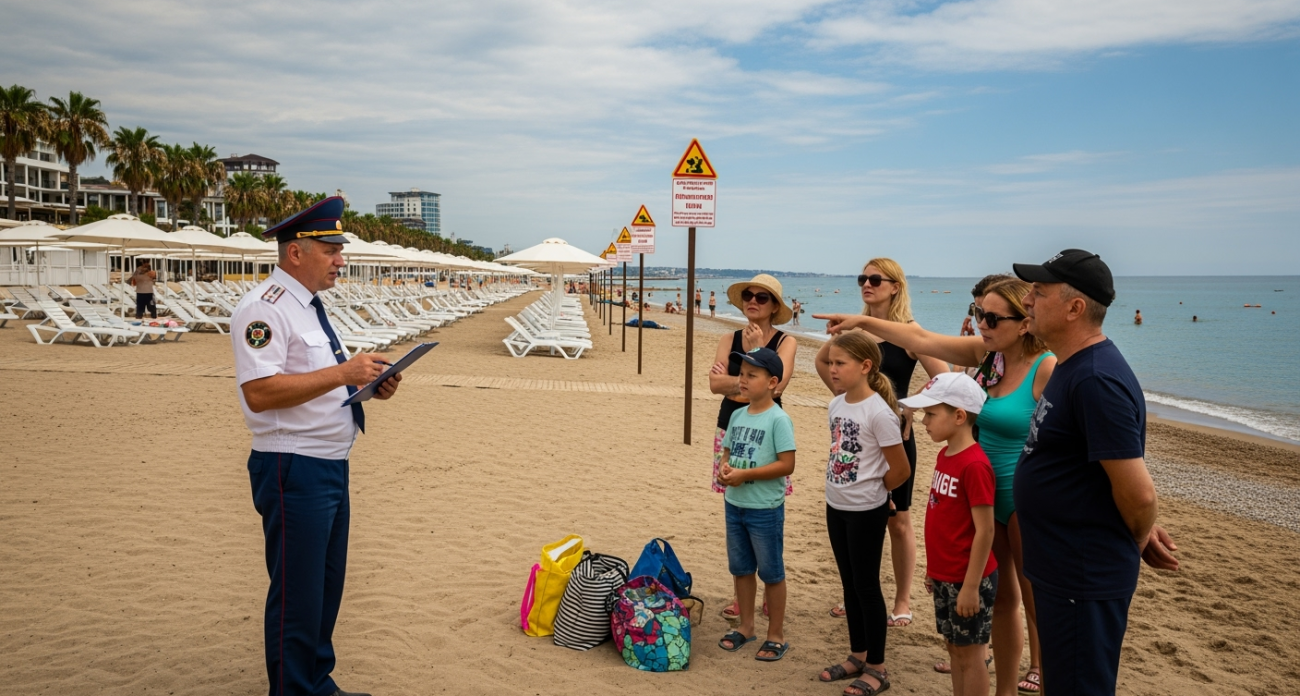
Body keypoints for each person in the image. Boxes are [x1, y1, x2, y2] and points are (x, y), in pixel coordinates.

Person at [817, 278, 1053, 693]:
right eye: (979, 312)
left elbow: (1072, 435)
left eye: (992, 316)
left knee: (1032, 601)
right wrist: (861, 322)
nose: (982, 322)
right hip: (977, 491)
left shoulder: (1045, 366)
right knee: (1000, 600)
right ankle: (993, 679)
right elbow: (921, 337)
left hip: (1019, 496)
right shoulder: (987, 354)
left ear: (1024, 322)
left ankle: (1038, 667)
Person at [231, 196, 401, 696]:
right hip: (292, 465)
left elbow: (319, 382)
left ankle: (315, 683)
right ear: (295, 252)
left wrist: (368, 384)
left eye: (339, 249)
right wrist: (345, 373)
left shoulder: (309, 309)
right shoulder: (263, 310)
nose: (340, 260)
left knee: (324, 589)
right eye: (330, 249)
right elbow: (259, 393)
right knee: (297, 594)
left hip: (328, 464)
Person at [1012, 249, 1178, 696]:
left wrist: (1138, 534)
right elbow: (1100, 471)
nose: (1026, 299)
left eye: (1038, 291)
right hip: (1061, 569)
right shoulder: (1072, 366)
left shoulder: (1095, 380)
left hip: (1081, 576)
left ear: (1075, 307)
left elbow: (1139, 495)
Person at [815, 258, 947, 627]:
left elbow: (946, 378)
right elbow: (823, 363)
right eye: (862, 278)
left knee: (898, 520)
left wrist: (909, 408)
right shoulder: (855, 333)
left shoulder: (909, 332)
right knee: (854, 520)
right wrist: (842, 399)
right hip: (856, 443)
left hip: (895, 440)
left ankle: (902, 600)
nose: (866, 284)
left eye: (875, 278)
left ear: (895, 286)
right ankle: (858, 593)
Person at [817, 331, 911, 696]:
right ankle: (858, 654)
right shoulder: (837, 404)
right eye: (832, 362)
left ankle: (878, 666)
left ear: (865, 367)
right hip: (835, 505)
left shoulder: (880, 412)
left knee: (867, 587)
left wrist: (876, 489)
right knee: (849, 584)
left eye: (841, 363)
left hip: (865, 510)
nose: (833, 369)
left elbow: (900, 469)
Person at [901, 374, 998, 696]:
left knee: (972, 656)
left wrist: (970, 587)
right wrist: (934, 569)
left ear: (959, 416)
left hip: (969, 580)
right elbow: (943, 519)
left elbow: (985, 530)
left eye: (931, 414)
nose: (924, 421)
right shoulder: (945, 456)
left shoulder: (974, 465)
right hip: (946, 574)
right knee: (954, 650)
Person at [709, 274, 797, 621]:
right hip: (731, 424)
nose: (754, 301)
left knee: (766, 504)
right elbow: (714, 384)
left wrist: (747, 362)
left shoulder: (785, 341)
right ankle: (740, 596)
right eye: (749, 295)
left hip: (767, 429)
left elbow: (777, 388)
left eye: (763, 297)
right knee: (735, 505)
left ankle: (768, 593)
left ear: (775, 306)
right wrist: (746, 384)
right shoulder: (727, 337)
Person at [715, 347, 796, 662]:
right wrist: (724, 469)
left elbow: (787, 465)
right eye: (742, 374)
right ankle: (746, 627)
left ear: (773, 381)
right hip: (734, 504)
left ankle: (775, 634)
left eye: (752, 375)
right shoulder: (736, 414)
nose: (743, 380)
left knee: (772, 572)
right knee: (742, 568)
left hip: (764, 508)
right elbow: (726, 451)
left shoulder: (778, 419)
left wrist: (746, 473)